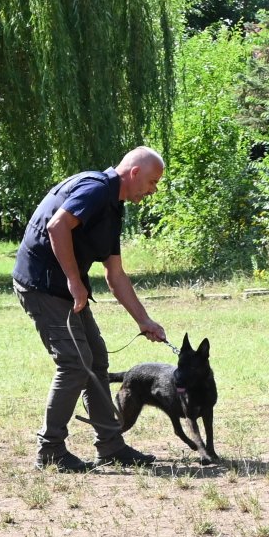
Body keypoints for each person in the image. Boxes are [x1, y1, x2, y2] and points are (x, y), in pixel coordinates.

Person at [12, 146, 169, 471]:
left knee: (96, 360)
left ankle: (110, 446)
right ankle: (50, 450)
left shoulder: (113, 207)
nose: (153, 190)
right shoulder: (95, 188)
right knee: (74, 363)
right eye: (152, 182)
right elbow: (57, 226)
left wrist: (144, 320)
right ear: (135, 173)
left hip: (66, 289)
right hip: (42, 285)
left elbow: (115, 274)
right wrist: (74, 280)